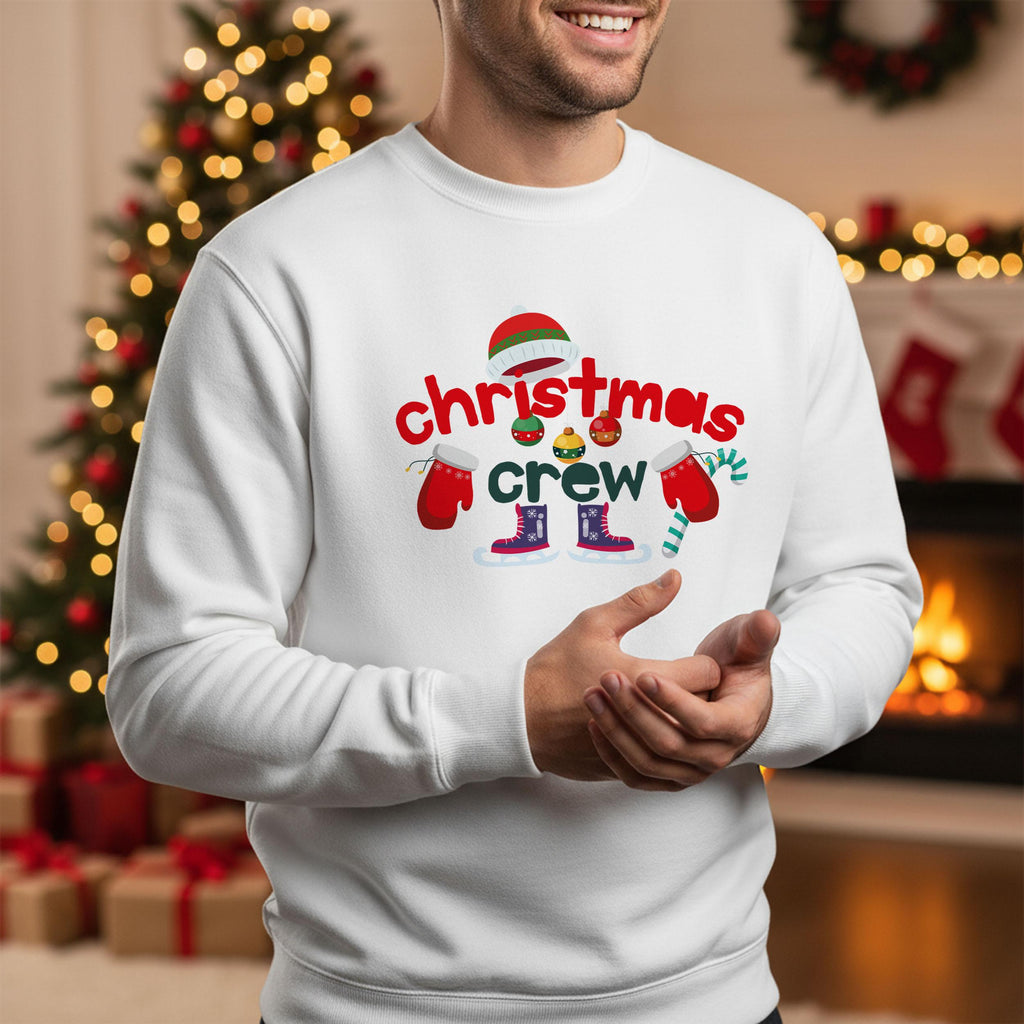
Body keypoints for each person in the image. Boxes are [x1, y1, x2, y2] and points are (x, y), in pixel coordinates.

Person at [106, 1, 922, 1021]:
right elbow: (168, 689)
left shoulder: (772, 256)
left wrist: (772, 698)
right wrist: (504, 722)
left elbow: (863, 585)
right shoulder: (275, 275)